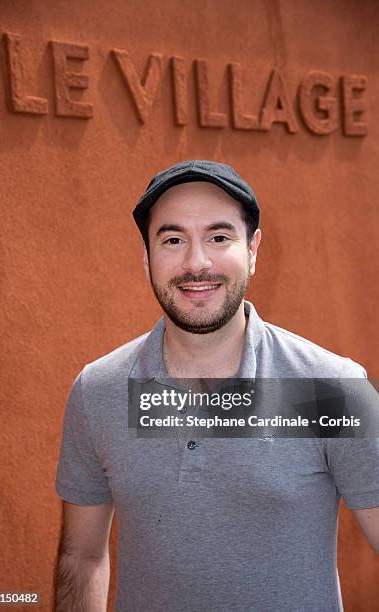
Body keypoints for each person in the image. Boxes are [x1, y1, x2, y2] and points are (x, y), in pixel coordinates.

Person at [53, 160, 379, 612]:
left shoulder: (332, 388)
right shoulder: (99, 390)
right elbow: (82, 557)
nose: (196, 262)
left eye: (219, 237)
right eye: (172, 240)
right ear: (147, 257)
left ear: (253, 249)